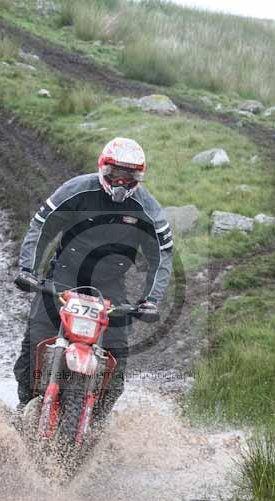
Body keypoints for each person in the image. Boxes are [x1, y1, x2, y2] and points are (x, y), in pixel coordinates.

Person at [13, 137, 173, 414]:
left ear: (139, 177)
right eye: (116, 173)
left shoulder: (148, 208)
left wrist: (151, 300)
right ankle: (25, 406)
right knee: (37, 341)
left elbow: (162, 254)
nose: (122, 181)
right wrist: (28, 270)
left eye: (130, 176)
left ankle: (97, 420)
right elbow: (42, 227)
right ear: (103, 168)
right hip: (63, 275)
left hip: (110, 284)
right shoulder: (76, 190)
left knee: (117, 355)